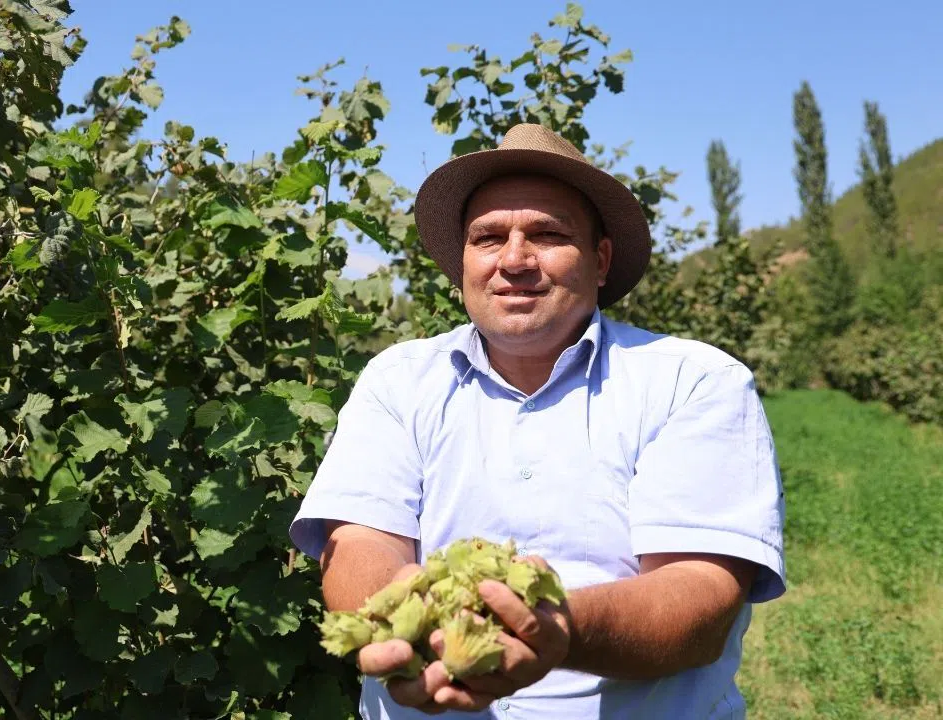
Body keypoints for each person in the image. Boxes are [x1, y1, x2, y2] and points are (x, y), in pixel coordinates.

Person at [289, 124, 786, 719]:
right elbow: (360, 541)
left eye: (547, 235)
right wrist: (402, 630)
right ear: (463, 262)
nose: (515, 260)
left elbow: (700, 595)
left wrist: (557, 629)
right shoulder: (398, 380)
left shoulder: (693, 382)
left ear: (600, 260)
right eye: (489, 238)